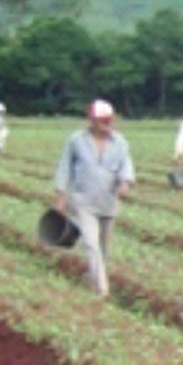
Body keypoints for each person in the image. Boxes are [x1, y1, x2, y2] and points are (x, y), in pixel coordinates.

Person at [51, 99, 135, 298]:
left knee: (103, 247)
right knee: (90, 243)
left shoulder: (120, 142)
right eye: (103, 121)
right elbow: (64, 168)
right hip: (84, 201)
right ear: (91, 121)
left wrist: (125, 184)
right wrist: (61, 196)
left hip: (109, 203)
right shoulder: (76, 141)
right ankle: (102, 290)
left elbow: (127, 167)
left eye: (110, 121)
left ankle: (94, 280)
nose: (108, 125)